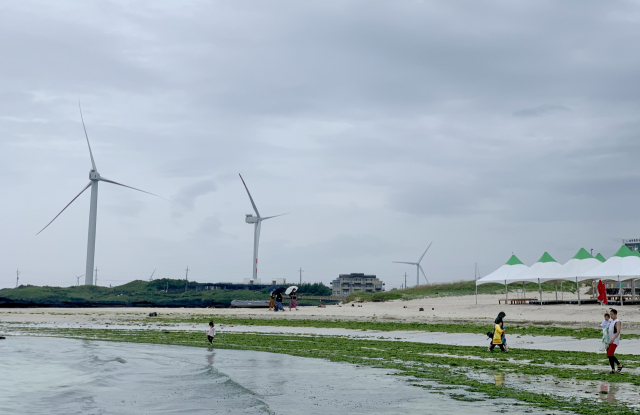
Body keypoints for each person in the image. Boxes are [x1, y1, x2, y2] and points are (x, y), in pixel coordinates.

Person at [606, 309, 623, 373]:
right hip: (609, 340)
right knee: (608, 355)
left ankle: (619, 365)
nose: (610, 316)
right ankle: (613, 369)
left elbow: (618, 331)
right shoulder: (611, 322)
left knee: (610, 354)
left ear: (615, 314)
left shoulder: (617, 322)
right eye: (610, 314)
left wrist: (613, 338)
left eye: (612, 314)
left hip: (614, 341)